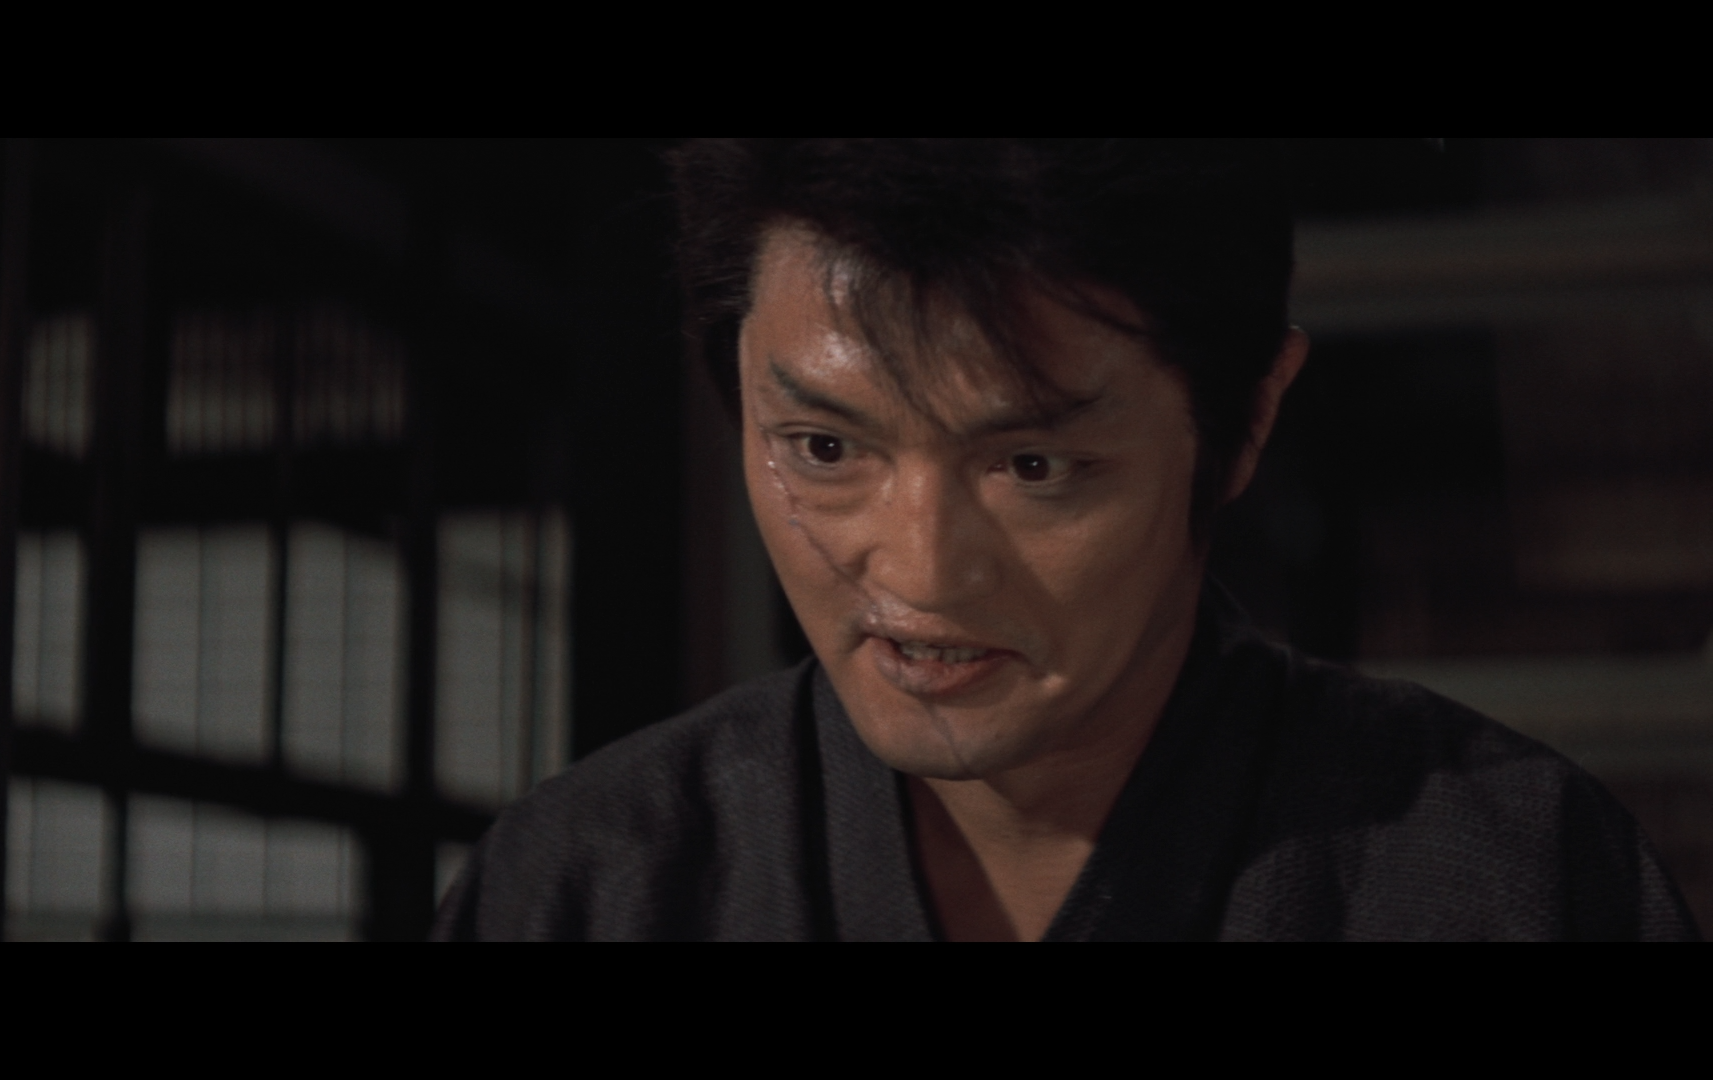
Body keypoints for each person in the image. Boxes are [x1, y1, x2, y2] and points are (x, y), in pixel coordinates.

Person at [431, 140, 1698, 941]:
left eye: (1034, 467)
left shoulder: (1505, 878)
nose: (919, 573)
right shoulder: (591, 888)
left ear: (1246, 420)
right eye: (823, 450)